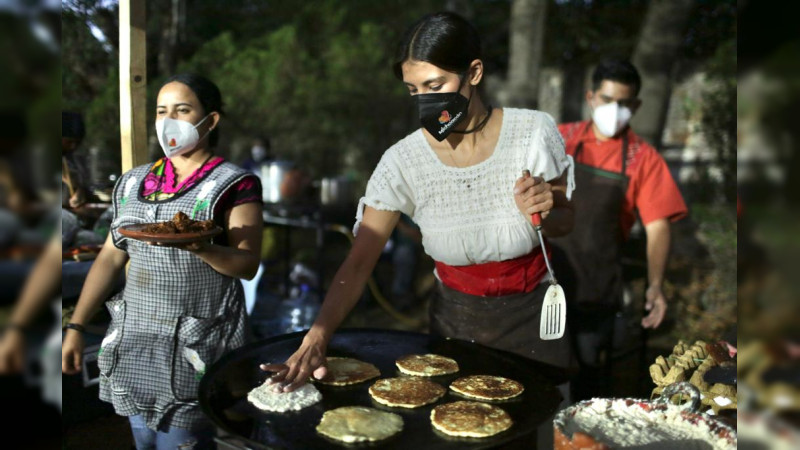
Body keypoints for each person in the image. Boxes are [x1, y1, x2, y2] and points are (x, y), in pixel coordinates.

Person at [262, 11, 575, 393]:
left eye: (435, 84)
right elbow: (360, 261)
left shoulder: (532, 132)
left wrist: (549, 206)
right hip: (454, 327)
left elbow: (564, 222)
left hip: (533, 321)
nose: (426, 100)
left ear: (473, 72)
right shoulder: (404, 162)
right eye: (414, 90)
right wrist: (317, 336)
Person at [61, 73, 263, 449]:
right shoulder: (133, 182)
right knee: (144, 441)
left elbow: (247, 264)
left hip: (196, 341)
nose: (168, 121)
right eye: (161, 111)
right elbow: (109, 257)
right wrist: (76, 325)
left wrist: (202, 247)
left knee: (181, 442)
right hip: (138, 337)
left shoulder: (234, 183)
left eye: (182, 110)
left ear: (211, 120)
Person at [552, 59, 688, 398]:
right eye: (608, 99)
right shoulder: (559, 138)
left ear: (637, 105)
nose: (616, 110)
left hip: (594, 289)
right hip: (542, 279)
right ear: (591, 97)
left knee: (584, 381)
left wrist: (656, 285)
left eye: (625, 103)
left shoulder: (643, 158)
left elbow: (658, 228)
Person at [62, 111, 90, 209]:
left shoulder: (76, 159)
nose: (73, 146)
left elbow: (88, 187)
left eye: (77, 142)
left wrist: (81, 192)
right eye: (69, 141)